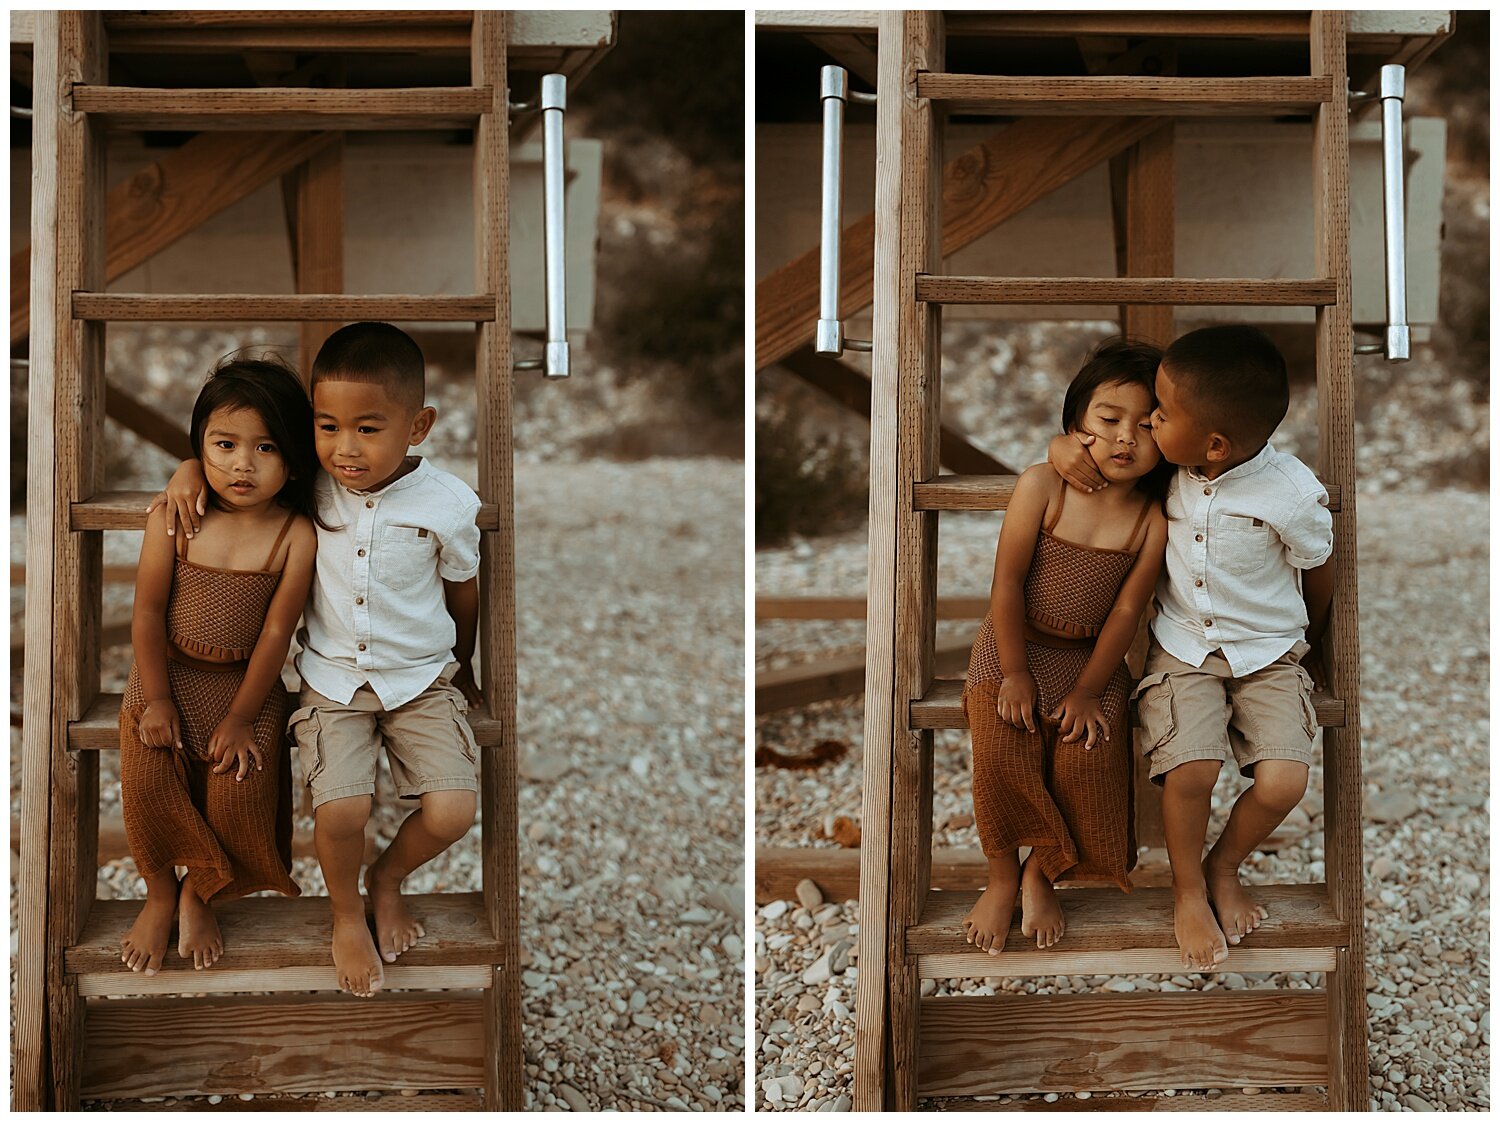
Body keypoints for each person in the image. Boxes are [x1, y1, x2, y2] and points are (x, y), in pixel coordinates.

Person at [151, 322, 484, 997]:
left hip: (421, 679)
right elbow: (230, 460)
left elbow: (464, 589)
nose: (345, 448)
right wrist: (187, 467)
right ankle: (343, 912)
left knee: (453, 811)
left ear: (418, 425)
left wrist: (467, 665)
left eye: (368, 428)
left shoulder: (448, 504)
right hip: (332, 682)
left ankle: (387, 880)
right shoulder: (309, 485)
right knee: (341, 810)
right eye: (327, 427)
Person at [1049, 324, 1334, 969]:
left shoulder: (1287, 491)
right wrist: (1061, 446)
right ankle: (1186, 893)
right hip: (1183, 650)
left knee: (1285, 780)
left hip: (1268, 652)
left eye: (1162, 412)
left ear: (1213, 443)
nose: (1148, 421)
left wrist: (1309, 639)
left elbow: (1319, 563)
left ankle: (1222, 865)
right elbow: (1089, 457)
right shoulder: (1167, 467)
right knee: (1192, 768)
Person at [963, 339, 1170, 956]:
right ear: (1076, 423)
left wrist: (1086, 690)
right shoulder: (1042, 486)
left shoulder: (1150, 519)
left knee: (1090, 755)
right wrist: (1016, 672)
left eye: (1146, 426)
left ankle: (1042, 869)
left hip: (1091, 662)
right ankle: (1002, 875)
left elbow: (1128, 611)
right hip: (1012, 645)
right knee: (1001, 742)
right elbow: (1006, 582)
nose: (1124, 439)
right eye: (1108, 420)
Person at [119, 356, 318, 976]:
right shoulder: (177, 517)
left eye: (265, 447)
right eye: (223, 445)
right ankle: (158, 888)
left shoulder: (294, 534)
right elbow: (148, 613)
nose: (242, 464)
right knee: (149, 769)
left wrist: (240, 716)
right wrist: (155, 699)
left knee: (243, 780)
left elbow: (277, 633)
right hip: (166, 673)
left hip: (244, 685)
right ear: (199, 446)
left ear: (292, 457)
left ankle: (199, 888)